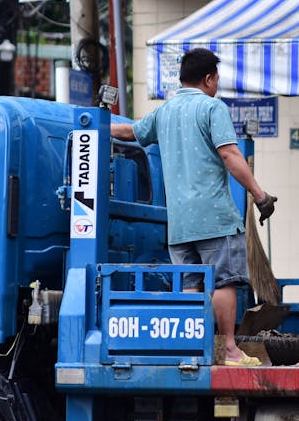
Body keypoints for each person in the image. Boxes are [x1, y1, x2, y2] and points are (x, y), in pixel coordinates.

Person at [110, 48, 277, 367]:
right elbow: (230, 155)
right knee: (225, 281)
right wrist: (259, 195)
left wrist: (96, 127)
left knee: (190, 285)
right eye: (217, 79)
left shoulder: (165, 112)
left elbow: (131, 132)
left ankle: (193, 351)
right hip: (214, 218)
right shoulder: (212, 108)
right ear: (209, 78)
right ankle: (229, 350)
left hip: (180, 225)